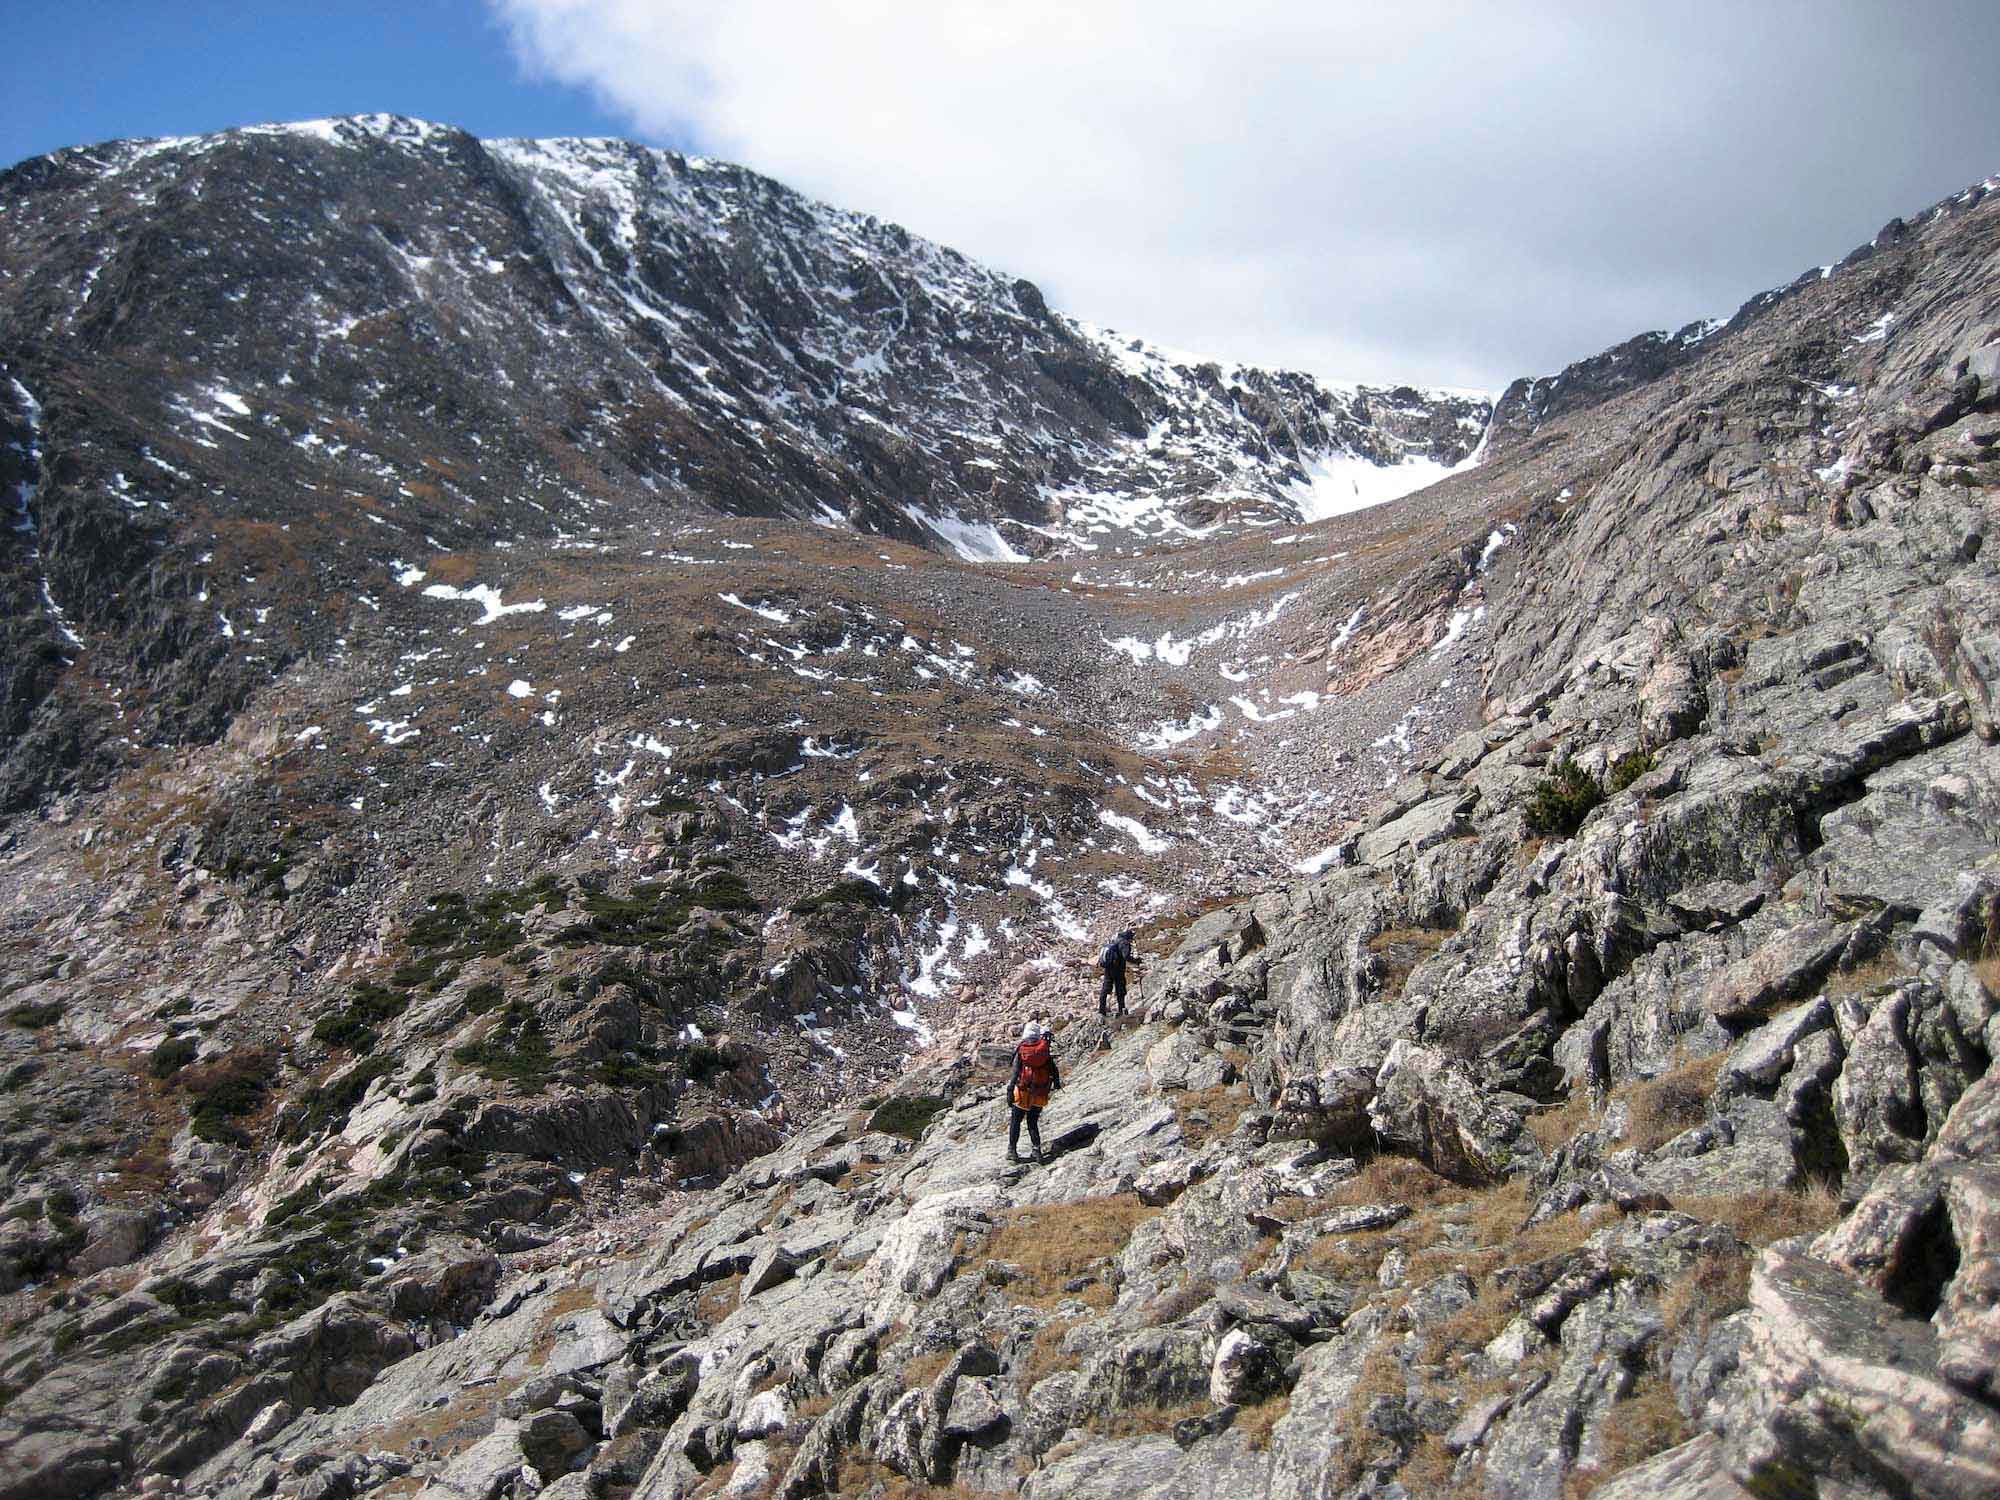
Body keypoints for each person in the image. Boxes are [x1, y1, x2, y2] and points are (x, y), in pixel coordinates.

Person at [1008, 1021, 1061, 1163]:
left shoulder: (1022, 1049)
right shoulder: (1043, 1050)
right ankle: (1037, 1150)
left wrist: (1010, 1089)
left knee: (1016, 1120)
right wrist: (1056, 1083)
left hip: (1024, 1090)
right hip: (1040, 1090)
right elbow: (1053, 1069)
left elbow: (1016, 1072)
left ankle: (1012, 1151)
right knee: (1033, 1121)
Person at [1096, 928, 1140, 1018]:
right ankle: (1121, 1009)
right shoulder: (1124, 943)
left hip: (1108, 968)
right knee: (1120, 989)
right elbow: (1126, 956)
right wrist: (1136, 960)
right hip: (1118, 969)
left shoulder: (1115, 939)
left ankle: (1101, 1010)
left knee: (1105, 988)